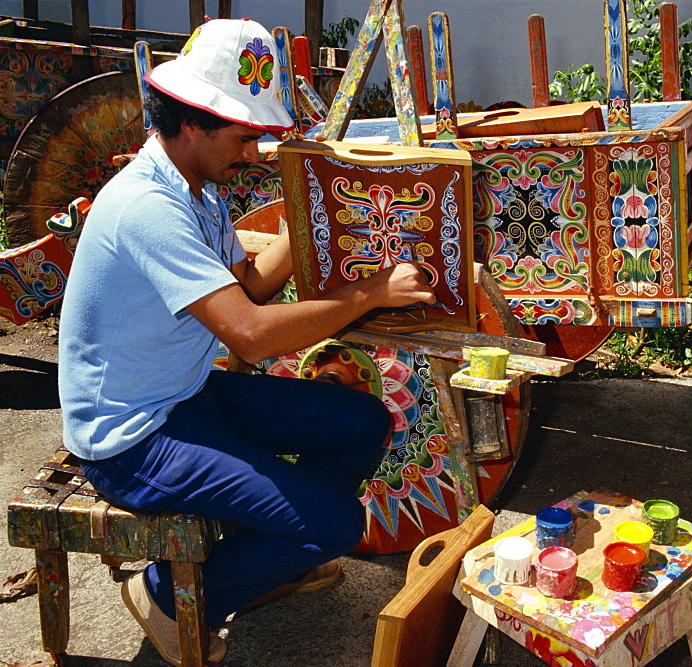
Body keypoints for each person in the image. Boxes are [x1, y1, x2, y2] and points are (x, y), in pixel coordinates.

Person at [57, 18, 436, 666]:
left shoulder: (195, 191)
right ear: (194, 122)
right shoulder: (149, 207)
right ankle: (173, 594)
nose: (253, 153)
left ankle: (271, 552)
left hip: (186, 394)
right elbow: (252, 334)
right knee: (339, 524)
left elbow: (246, 286)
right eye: (243, 135)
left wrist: (309, 214)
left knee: (363, 419)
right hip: (130, 438)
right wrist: (367, 293)